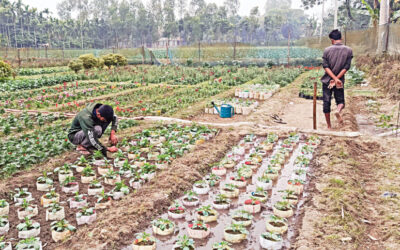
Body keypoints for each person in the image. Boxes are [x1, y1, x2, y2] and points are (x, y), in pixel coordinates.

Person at [321, 29, 353, 129]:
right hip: (339, 82)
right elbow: (347, 66)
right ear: (341, 38)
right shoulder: (348, 50)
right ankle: (338, 111)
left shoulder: (327, 50)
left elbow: (325, 66)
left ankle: (329, 126)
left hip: (327, 81)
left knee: (326, 102)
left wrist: (333, 78)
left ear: (331, 40)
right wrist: (337, 79)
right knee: (341, 102)